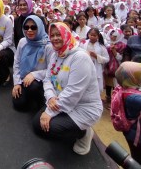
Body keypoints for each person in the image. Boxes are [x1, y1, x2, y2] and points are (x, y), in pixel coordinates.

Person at [33, 22, 103, 155]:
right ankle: (73, 128)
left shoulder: (80, 58)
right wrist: (51, 97)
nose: (54, 38)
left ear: (66, 34)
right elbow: (48, 79)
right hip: (60, 100)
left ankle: (84, 133)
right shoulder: (56, 54)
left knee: (49, 127)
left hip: (83, 108)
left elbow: (73, 92)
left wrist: (49, 112)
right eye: (52, 35)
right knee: (38, 124)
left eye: (58, 34)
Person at [12, 15, 52, 112]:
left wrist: (34, 74)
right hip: (23, 80)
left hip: (41, 81)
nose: (29, 30)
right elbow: (16, 63)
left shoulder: (48, 46)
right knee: (19, 104)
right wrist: (16, 83)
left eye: (33, 27)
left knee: (34, 86)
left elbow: (51, 70)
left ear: (40, 27)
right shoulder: (23, 42)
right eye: (26, 27)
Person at [114, 61, 141, 163]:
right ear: (132, 78)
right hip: (136, 137)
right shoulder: (132, 97)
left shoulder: (125, 88)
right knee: (137, 160)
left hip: (132, 133)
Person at [80, 28, 109, 93]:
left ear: (98, 36)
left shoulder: (101, 46)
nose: (92, 37)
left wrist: (96, 56)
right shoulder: (83, 43)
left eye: (94, 35)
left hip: (96, 68)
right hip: (84, 66)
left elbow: (107, 59)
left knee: (96, 86)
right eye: (91, 35)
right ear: (88, 35)